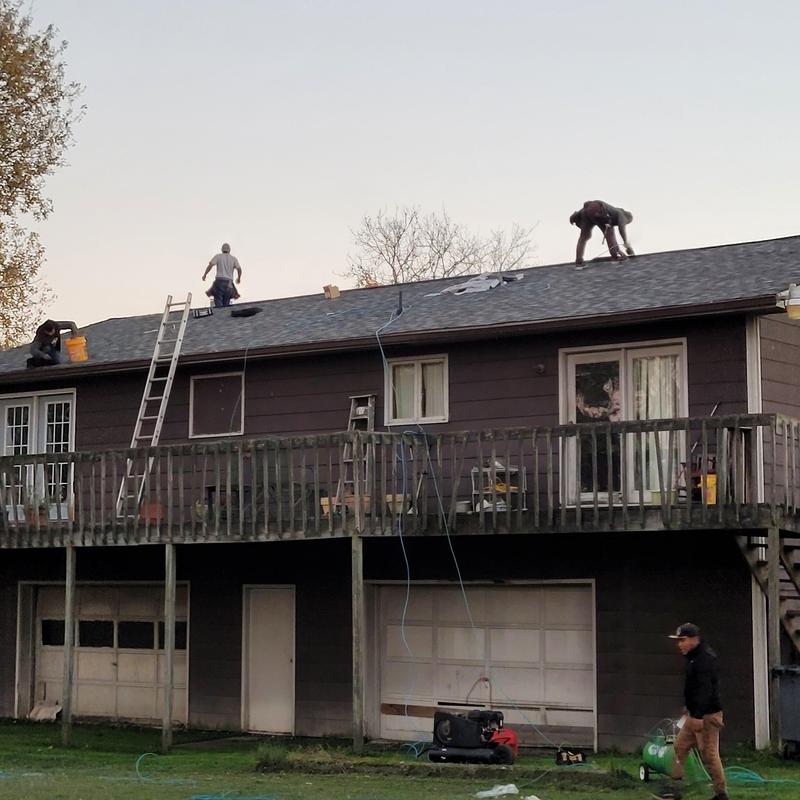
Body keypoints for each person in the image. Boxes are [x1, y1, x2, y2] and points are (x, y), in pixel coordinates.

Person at [653, 623, 728, 800]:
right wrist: (688, 707)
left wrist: (698, 716)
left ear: (695, 639)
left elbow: (705, 691)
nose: (680, 644)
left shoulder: (705, 659)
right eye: (678, 641)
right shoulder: (692, 658)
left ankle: (721, 794)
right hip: (693, 715)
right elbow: (692, 688)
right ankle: (675, 790)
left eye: (683, 640)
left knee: (709, 755)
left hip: (706, 716)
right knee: (679, 747)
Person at [569, 200, 634, 266]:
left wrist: (577, 214)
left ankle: (579, 260)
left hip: (586, 212)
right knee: (609, 232)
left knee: (584, 237)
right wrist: (626, 244)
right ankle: (615, 256)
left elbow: (587, 207)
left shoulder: (613, 211)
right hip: (597, 209)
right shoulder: (622, 215)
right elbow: (621, 229)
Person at [202, 242, 242, 307]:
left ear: (222, 249)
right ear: (229, 250)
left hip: (219, 282)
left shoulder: (218, 256)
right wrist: (239, 278)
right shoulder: (233, 259)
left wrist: (205, 275)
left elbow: (210, 265)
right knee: (226, 305)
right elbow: (239, 269)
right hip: (229, 283)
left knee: (218, 303)